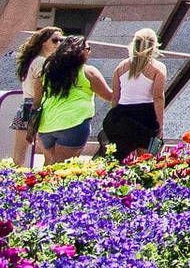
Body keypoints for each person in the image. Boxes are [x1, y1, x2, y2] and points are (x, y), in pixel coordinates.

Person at [35, 36, 113, 164]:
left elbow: (36, 101)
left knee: (48, 165)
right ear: (80, 51)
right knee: (63, 169)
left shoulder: (47, 71)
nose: (89, 52)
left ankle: (36, 184)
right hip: (74, 123)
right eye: (88, 49)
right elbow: (108, 95)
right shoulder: (88, 72)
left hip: (46, 125)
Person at [100, 28, 166, 161]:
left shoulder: (121, 67)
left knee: (117, 160)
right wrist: (160, 124)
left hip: (122, 114)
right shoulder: (158, 67)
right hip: (146, 115)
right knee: (146, 160)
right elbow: (158, 97)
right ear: (154, 46)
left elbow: (115, 97)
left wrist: (114, 117)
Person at [10, 28, 60, 167]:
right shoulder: (42, 62)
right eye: (55, 40)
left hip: (26, 105)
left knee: (18, 156)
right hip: (39, 106)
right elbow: (41, 87)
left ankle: (11, 183)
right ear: (44, 42)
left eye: (61, 40)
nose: (59, 43)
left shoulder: (32, 60)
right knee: (49, 154)